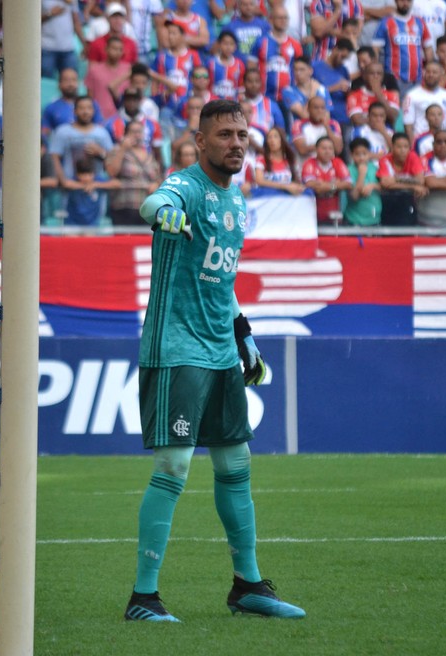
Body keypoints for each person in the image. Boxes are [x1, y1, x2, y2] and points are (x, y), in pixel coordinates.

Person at [124, 98, 305, 623]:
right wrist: (166, 213)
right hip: (176, 346)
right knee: (175, 466)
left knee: (235, 465)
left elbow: (221, 281)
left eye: (242, 135)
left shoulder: (238, 200)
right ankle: (143, 597)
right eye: (224, 134)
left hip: (221, 350)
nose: (237, 144)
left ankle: (248, 585)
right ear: (200, 141)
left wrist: (243, 333)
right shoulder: (187, 187)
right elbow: (152, 203)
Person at [105, 120, 161, 225]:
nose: (137, 135)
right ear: (126, 134)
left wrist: (156, 184)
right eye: (133, 132)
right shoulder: (117, 150)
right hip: (124, 206)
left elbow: (157, 177)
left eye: (139, 132)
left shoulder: (149, 154)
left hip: (147, 207)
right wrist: (123, 149)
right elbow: (111, 172)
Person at [373, 0, 435, 91]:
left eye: (408, 1)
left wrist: (429, 72)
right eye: (402, 0)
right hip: (394, 78)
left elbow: (428, 49)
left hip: (417, 78)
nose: (405, 3)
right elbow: (375, 49)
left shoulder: (420, 22)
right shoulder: (386, 22)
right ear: (396, 1)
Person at [378, 131, 426, 225]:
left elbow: (420, 181)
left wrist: (396, 179)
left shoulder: (413, 157)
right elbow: (385, 184)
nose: (403, 150)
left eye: (405, 147)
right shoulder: (385, 160)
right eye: (399, 147)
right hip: (389, 202)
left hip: (409, 203)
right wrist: (412, 186)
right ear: (392, 147)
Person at [302, 135, 352, 223]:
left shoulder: (338, 162)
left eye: (330, 148)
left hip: (334, 214)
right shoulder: (309, 163)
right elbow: (310, 184)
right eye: (324, 148)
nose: (327, 151)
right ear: (316, 149)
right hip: (313, 214)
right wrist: (336, 184)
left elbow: (348, 184)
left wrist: (326, 186)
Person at [403, 59, 446, 143]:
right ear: (423, 73)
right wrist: (413, 146)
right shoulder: (411, 95)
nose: (431, 75)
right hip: (420, 140)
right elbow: (408, 125)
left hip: (442, 142)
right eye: (428, 72)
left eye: (434, 72)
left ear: (441, 75)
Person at [86, 37, 132, 120]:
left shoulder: (128, 70)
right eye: (114, 48)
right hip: (99, 117)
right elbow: (90, 96)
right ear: (106, 49)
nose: (117, 52)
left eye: (120, 49)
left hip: (122, 117)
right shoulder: (94, 70)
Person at [291, 95, 343, 164]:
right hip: (305, 167)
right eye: (316, 108)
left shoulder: (333, 124)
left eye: (322, 108)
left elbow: (338, 149)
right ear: (308, 109)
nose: (319, 111)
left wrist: (326, 126)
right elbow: (302, 149)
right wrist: (325, 148)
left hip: (328, 169)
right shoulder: (299, 124)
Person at [41, 0, 84, 79]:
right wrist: (50, 13)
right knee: (46, 81)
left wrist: (84, 43)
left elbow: (76, 21)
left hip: (68, 47)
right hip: (47, 47)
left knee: (70, 81)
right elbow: (32, 20)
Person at [254, 125, 303, 195]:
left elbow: (298, 182)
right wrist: (285, 186)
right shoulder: (261, 159)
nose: (272, 140)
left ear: (282, 139)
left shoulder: (290, 160)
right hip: (267, 198)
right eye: (269, 137)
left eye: (275, 137)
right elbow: (259, 181)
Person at [346, 136, 382, 226]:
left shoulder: (375, 168)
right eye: (357, 154)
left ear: (369, 154)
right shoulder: (347, 170)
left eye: (364, 153)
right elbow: (354, 196)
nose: (361, 158)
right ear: (351, 155)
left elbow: (384, 187)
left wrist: (372, 186)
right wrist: (361, 174)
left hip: (375, 218)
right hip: (355, 219)